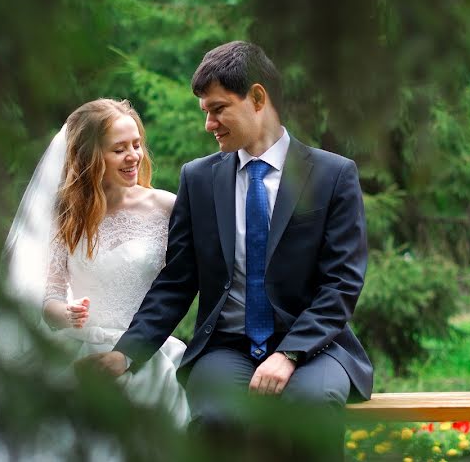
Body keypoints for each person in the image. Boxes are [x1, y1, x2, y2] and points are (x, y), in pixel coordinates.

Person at [80, 41, 373, 459]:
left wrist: (289, 354)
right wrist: (125, 354)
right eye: (205, 112)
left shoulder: (332, 175)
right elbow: (177, 282)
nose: (209, 124)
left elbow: (341, 284)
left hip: (315, 348)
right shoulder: (198, 179)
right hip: (227, 348)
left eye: (218, 109)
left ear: (257, 98)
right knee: (217, 419)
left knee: (310, 410)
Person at [0, 99, 189, 462]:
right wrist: (66, 312)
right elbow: (51, 299)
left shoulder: (167, 207)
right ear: (91, 157)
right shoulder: (68, 216)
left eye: (136, 144)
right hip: (78, 351)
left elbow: (180, 284)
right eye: (118, 149)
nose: (133, 156)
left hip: (142, 352)